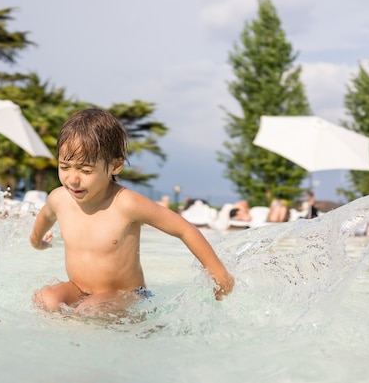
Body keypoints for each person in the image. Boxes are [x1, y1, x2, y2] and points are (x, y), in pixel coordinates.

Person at [29, 109, 234, 315]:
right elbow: (46, 215)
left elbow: (184, 229)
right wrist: (38, 242)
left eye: (86, 171)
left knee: (89, 311)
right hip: (79, 288)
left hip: (127, 294)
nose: (73, 179)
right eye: (65, 167)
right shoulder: (59, 198)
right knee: (45, 299)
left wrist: (219, 274)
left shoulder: (126, 203)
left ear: (115, 166)